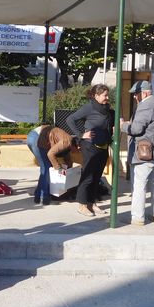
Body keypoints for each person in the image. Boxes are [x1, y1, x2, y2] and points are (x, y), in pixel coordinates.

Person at [120, 80, 154, 226]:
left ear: (144, 93)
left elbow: (136, 130)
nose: (135, 97)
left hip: (144, 152)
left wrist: (123, 125)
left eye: (136, 94)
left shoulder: (145, 105)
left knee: (139, 185)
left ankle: (138, 217)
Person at [67, 84, 114, 217]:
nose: (107, 97)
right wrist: (81, 134)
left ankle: (91, 203)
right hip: (89, 146)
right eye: (105, 95)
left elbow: (109, 121)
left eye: (107, 95)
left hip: (103, 146)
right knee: (88, 176)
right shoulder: (89, 107)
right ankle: (82, 205)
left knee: (97, 176)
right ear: (96, 96)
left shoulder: (106, 108)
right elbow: (70, 119)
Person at [26, 125, 77, 205]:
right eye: (78, 150)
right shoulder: (67, 142)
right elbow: (50, 154)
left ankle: (38, 195)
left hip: (35, 136)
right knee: (47, 168)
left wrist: (68, 171)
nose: (77, 152)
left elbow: (67, 159)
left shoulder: (68, 143)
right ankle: (44, 197)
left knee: (44, 169)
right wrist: (59, 169)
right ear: (77, 145)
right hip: (36, 136)